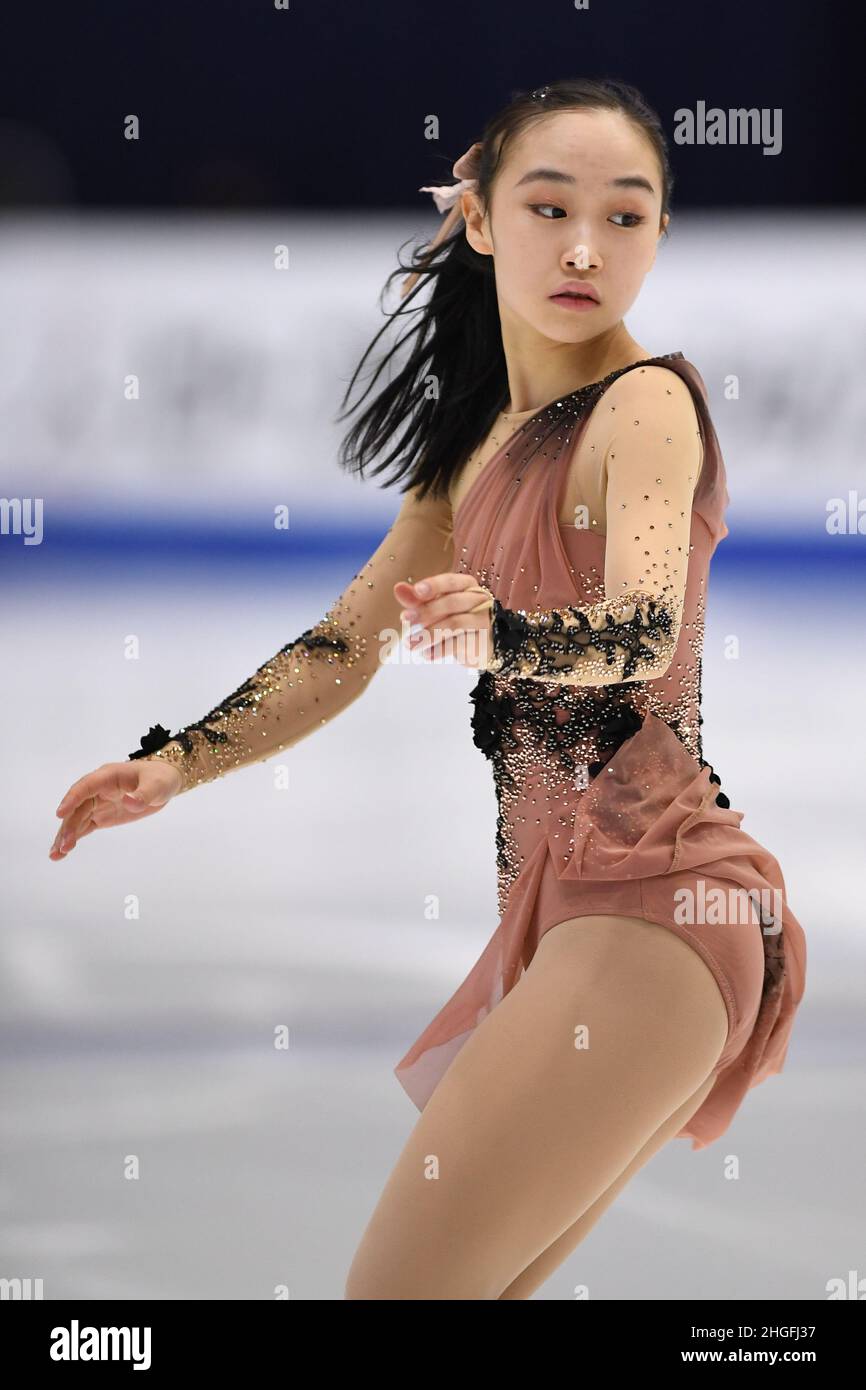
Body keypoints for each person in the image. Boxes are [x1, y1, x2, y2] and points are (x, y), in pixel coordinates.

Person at [49, 78, 806, 1301]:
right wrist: (175, 760)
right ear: (478, 217)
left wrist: (503, 629)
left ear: (660, 234)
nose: (582, 246)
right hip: (580, 916)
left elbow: (636, 629)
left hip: (655, 907)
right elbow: (347, 642)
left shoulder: (646, 404)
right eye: (547, 205)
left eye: (624, 217)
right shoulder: (475, 440)